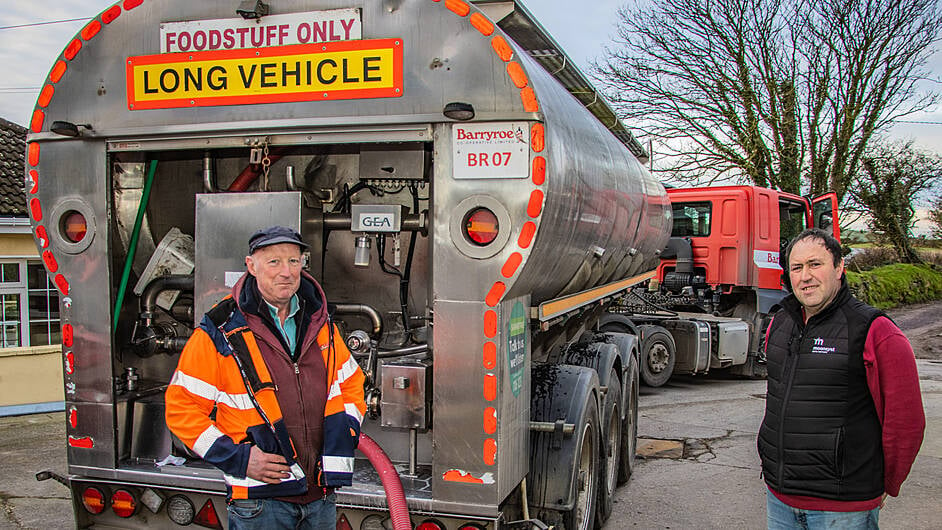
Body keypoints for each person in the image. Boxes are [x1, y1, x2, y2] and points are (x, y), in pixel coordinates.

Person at [166, 226, 366, 529]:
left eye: (294, 261)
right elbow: (181, 410)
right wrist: (239, 459)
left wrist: (346, 431)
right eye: (273, 262)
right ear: (251, 266)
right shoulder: (221, 332)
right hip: (260, 503)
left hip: (321, 496)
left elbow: (352, 384)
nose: (286, 272)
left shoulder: (319, 324)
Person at [757, 228, 925, 529]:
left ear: (839, 268)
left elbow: (906, 420)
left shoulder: (875, 331)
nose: (805, 276)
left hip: (844, 506)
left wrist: (887, 482)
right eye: (797, 267)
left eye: (815, 264)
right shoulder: (779, 323)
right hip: (780, 498)